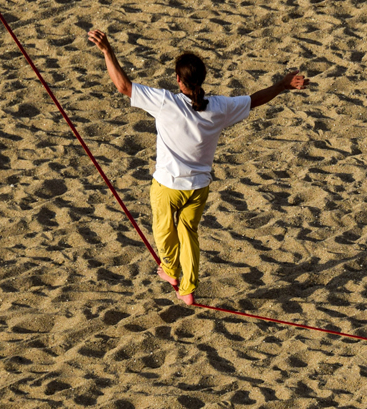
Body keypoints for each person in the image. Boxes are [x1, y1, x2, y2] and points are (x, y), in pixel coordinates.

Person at [87, 29, 309, 305]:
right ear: (201, 79)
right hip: (198, 188)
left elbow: (124, 86)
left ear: (178, 80)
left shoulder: (167, 103)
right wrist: (283, 85)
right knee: (188, 233)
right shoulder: (219, 107)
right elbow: (255, 99)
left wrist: (108, 51)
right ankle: (188, 288)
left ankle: (170, 271)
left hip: (168, 186)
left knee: (164, 231)